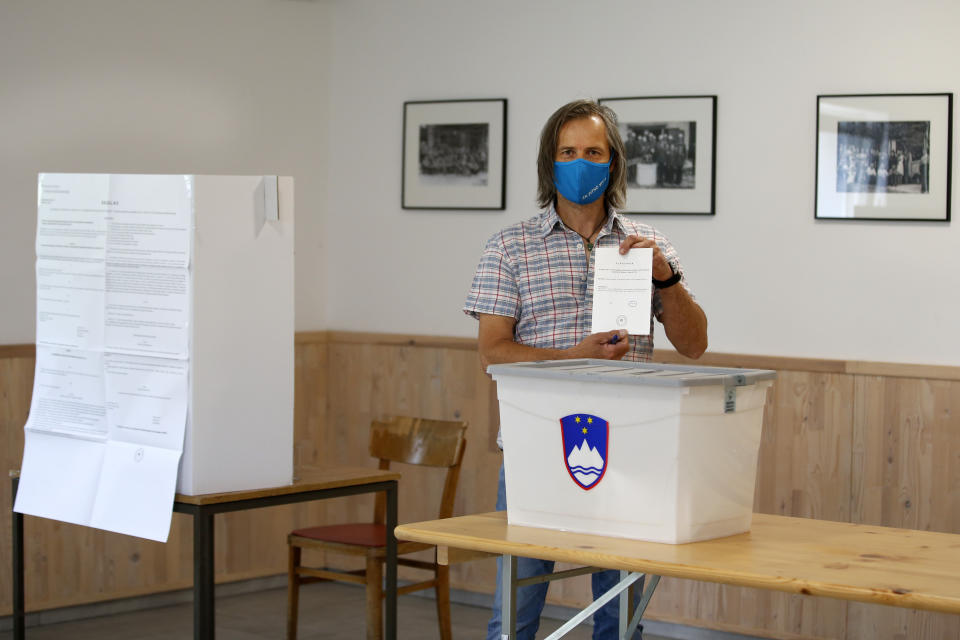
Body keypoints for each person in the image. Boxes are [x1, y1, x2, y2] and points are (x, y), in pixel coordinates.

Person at [464, 99, 708, 640]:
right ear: (550, 164)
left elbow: (694, 346)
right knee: (515, 616)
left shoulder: (648, 246)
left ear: (613, 163)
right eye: (568, 152)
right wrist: (577, 355)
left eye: (593, 152)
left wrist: (666, 278)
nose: (581, 163)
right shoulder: (509, 248)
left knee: (620, 619)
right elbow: (493, 353)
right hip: (537, 450)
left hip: (630, 448)